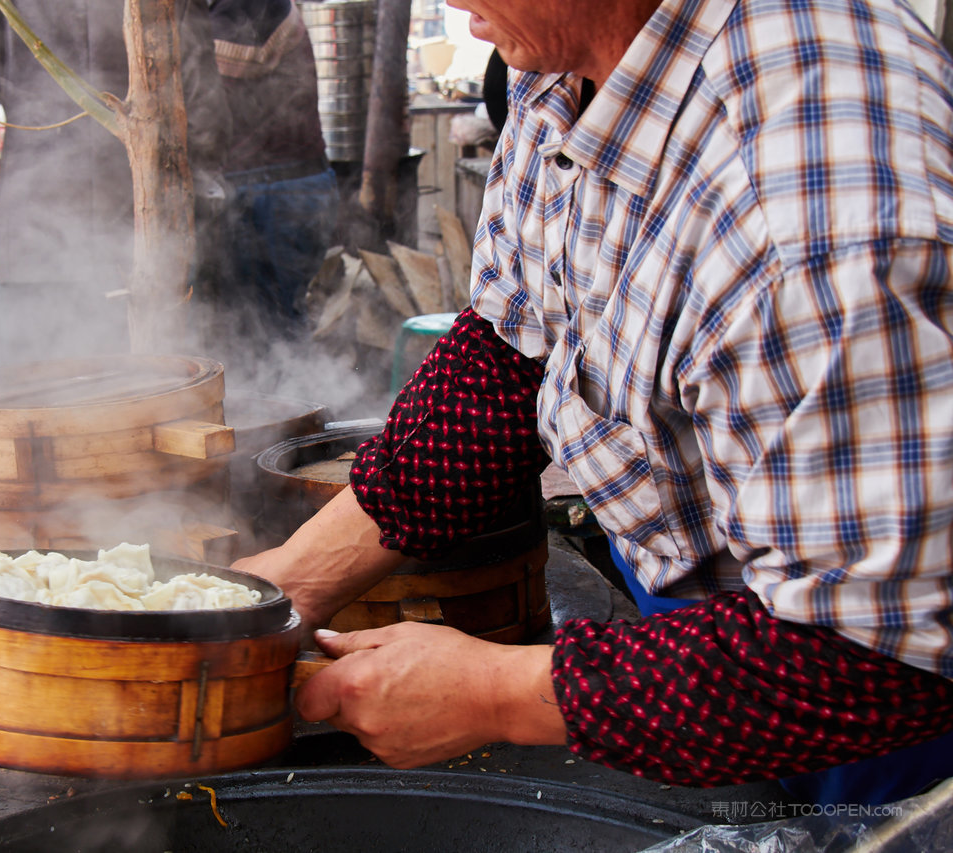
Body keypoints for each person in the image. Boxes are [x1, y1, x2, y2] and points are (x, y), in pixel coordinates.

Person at [234, 0, 953, 807]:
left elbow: (873, 654)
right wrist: (290, 582)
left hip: (880, 727)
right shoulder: (556, 77)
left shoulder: (811, 200)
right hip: (697, 646)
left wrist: (495, 692)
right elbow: (512, 352)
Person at [0, 0, 231, 356]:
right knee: (151, 397)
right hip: (144, 247)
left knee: (50, 399)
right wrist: (185, 194)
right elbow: (209, 122)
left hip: (34, 247)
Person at [198, 0, 338, 357]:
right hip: (305, 181)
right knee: (288, 317)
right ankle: (300, 403)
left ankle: (272, 406)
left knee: (246, 326)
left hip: (245, 189)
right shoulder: (285, 13)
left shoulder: (211, 25)